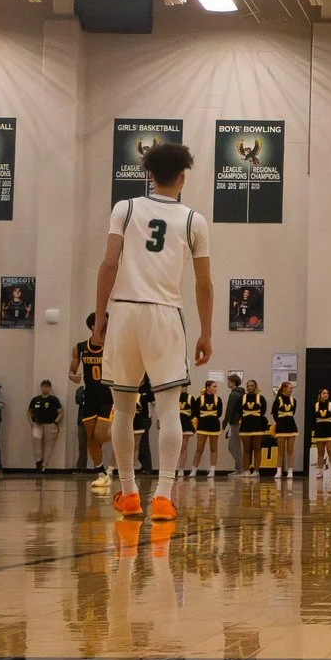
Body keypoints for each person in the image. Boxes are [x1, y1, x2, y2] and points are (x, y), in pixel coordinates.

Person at [90, 141, 214, 518]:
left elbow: (108, 264)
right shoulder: (193, 220)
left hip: (125, 313)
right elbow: (204, 284)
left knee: (123, 410)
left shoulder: (124, 209)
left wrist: (99, 320)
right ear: (182, 177)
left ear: (147, 175)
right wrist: (206, 333)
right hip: (164, 314)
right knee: (168, 409)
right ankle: (162, 496)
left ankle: (128, 493)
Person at [71, 319, 113, 486]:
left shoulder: (113, 345)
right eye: (102, 323)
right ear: (92, 326)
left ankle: (121, 437)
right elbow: (72, 370)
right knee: (90, 436)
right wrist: (72, 375)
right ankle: (100, 471)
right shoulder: (80, 347)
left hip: (108, 395)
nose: (104, 326)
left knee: (99, 434)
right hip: (89, 396)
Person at [191, 378, 226, 475]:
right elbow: (195, 412)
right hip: (202, 426)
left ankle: (212, 470)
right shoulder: (199, 399)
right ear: (208, 388)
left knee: (214, 449)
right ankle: (194, 470)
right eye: (214, 387)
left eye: (216, 387)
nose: (216, 389)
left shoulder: (218, 399)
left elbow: (219, 413)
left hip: (214, 426)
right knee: (199, 449)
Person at [308, 380, 331, 481]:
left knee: (330, 451)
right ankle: (320, 471)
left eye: (327, 393)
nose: (326, 395)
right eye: (324, 393)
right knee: (320, 452)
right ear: (320, 395)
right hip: (319, 431)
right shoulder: (315, 405)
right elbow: (312, 419)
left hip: (329, 430)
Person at [27, 380, 63, 471]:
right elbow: (29, 411)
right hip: (37, 423)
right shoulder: (35, 399)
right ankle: (38, 461)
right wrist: (31, 422)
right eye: (43, 386)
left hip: (50, 424)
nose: (44, 388)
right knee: (36, 439)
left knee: (48, 444)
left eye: (46, 386)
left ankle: (44, 465)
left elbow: (61, 412)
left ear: (49, 388)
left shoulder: (54, 400)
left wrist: (56, 422)